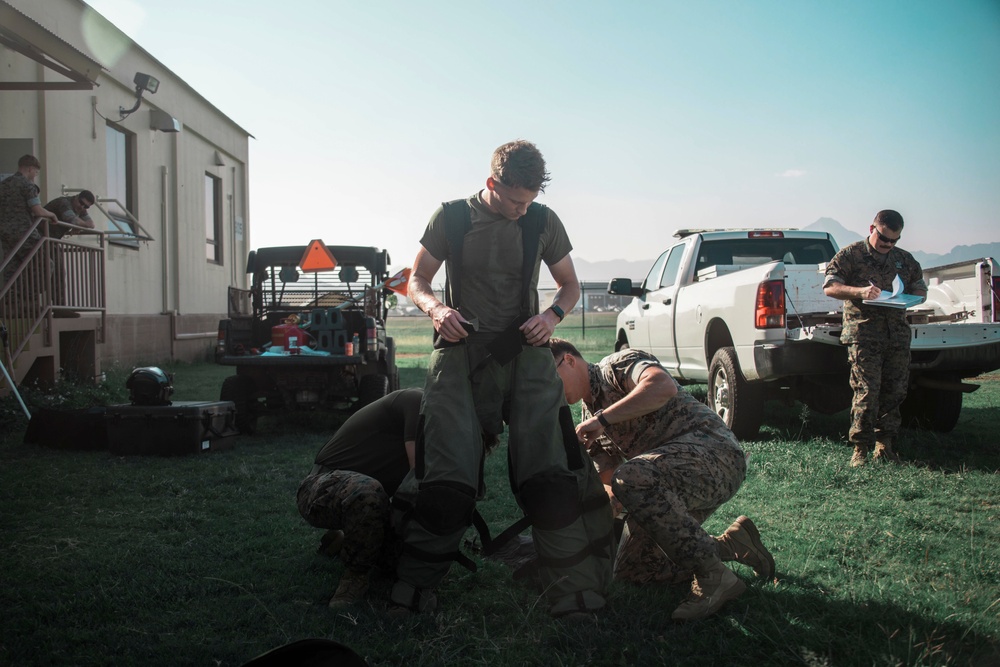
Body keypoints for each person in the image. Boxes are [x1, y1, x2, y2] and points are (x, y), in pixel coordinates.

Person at [391, 140, 614, 619]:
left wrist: (552, 316)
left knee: (551, 478)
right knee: (445, 483)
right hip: (460, 352)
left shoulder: (542, 220)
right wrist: (437, 310)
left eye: (530, 200)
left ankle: (575, 591)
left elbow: (570, 284)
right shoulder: (450, 217)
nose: (522, 209)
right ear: (492, 183)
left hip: (525, 352)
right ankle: (413, 586)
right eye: (515, 200)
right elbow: (417, 280)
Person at [548, 338, 775, 622]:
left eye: (552, 376)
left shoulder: (617, 367)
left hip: (718, 457)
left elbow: (662, 386)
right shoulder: (588, 419)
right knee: (634, 572)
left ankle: (713, 576)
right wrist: (575, 532)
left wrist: (603, 420)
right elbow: (610, 488)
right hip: (668, 481)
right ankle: (733, 545)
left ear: (569, 360)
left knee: (629, 477)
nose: (552, 388)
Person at [297, 388, 526, 609]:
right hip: (322, 486)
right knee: (368, 492)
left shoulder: (443, 432)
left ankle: (343, 541)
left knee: (406, 564)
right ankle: (354, 578)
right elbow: (421, 478)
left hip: (369, 500)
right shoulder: (419, 402)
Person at [823, 210, 927, 466]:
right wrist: (860, 291)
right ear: (872, 228)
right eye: (884, 238)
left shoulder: (904, 259)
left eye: (894, 240)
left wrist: (916, 297)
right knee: (867, 392)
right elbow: (830, 287)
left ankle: (885, 446)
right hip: (864, 335)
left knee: (895, 391)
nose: (888, 245)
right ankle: (860, 449)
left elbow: (919, 286)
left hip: (897, 337)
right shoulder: (851, 255)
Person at [0, 154, 58, 282]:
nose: (35, 176)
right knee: (46, 265)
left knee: (12, 268)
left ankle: (11, 300)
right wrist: (52, 215)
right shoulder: (27, 185)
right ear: (30, 169)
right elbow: (37, 210)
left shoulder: (3, 184)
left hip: (5, 232)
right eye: (36, 172)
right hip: (24, 232)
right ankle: (32, 297)